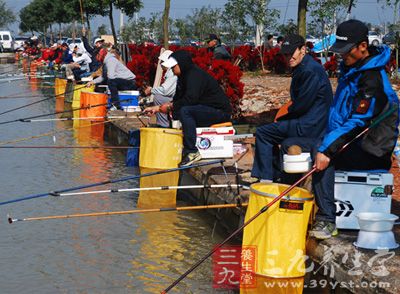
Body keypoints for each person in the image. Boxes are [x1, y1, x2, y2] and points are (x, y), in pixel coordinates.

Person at [304, 19, 399, 239]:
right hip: (355, 143)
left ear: (363, 46)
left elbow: (358, 122)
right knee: (313, 144)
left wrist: (327, 149)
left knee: (321, 150)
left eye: (346, 51)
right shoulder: (353, 69)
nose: (341, 56)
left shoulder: (372, 80)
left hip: (371, 150)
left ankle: (327, 220)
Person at [251, 34, 333, 185]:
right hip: (308, 122)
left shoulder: (309, 71)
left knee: (263, 133)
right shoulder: (305, 67)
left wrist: (280, 119)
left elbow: (301, 105)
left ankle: (266, 179)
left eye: (292, 53)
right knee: (275, 133)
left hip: (310, 125)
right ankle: (273, 175)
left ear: (303, 49)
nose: (289, 57)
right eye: (286, 54)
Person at [144, 50, 232, 166]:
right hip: (205, 109)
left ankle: (192, 151)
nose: (172, 70)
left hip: (219, 112)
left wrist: (170, 107)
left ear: (182, 64)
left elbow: (191, 99)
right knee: (180, 110)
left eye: (173, 67)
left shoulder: (194, 75)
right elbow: (178, 99)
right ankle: (186, 145)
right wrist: (157, 108)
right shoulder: (183, 77)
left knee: (185, 110)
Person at [143, 50, 178, 127]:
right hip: (175, 98)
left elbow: (165, 91)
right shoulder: (170, 72)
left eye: (162, 62)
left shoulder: (172, 72)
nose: (161, 64)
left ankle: (164, 124)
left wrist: (151, 90)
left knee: (158, 98)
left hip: (177, 100)